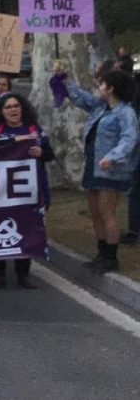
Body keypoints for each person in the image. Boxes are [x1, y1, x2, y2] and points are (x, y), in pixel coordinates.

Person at [58, 68, 139, 273]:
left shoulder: (126, 113)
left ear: (111, 88)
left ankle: (111, 257)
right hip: (93, 165)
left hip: (110, 169)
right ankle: (101, 252)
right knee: (95, 212)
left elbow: (129, 139)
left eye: (102, 84)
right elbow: (79, 98)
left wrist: (112, 157)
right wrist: (64, 80)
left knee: (106, 212)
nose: (99, 88)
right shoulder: (100, 107)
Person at [0, 92, 53, 289]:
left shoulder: (34, 129)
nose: (13, 110)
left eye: (16, 106)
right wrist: (16, 141)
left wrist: (41, 152)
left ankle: (23, 273)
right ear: (1, 112)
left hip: (28, 190)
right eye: (8, 107)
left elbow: (50, 154)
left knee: (27, 228)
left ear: (22, 108)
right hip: (1, 190)